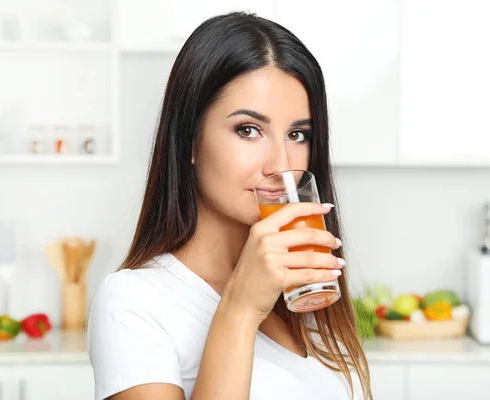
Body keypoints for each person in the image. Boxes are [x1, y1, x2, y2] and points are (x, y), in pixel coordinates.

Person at [87, 11, 371, 400]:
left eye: (297, 134)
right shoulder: (134, 302)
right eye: (248, 130)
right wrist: (238, 311)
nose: (281, 165)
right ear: (189, 141)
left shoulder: (306, 292)